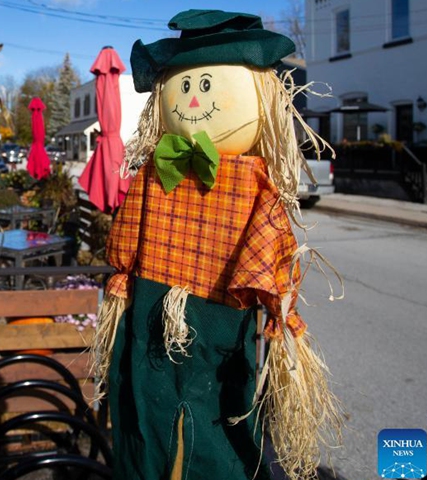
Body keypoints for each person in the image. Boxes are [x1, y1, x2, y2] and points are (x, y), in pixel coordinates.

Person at [91, 10, 344, 479]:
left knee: (219, 427)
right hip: (148, 308)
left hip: (221, 320)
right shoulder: (154, 173)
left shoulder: (254, 184)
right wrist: (121, 287)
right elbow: (124, 242)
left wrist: (282, 315)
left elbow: (273, 254)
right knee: (143, 411)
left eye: (206, 86)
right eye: (185, 85)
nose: (192, 98)